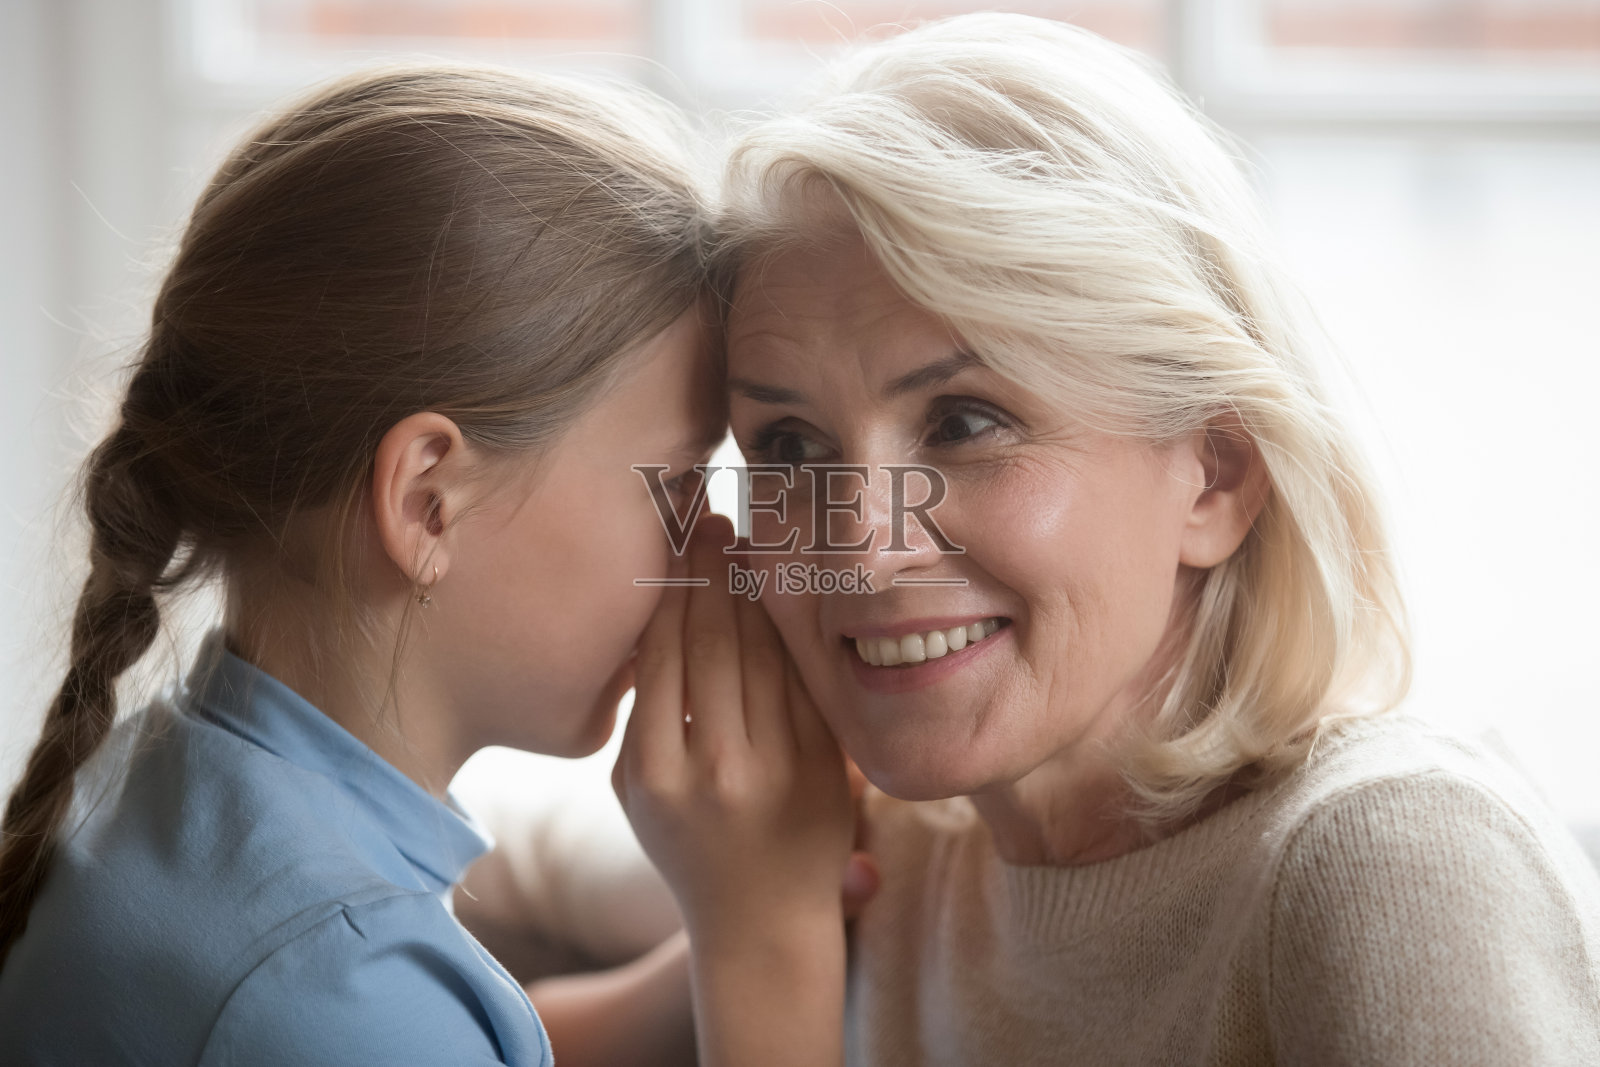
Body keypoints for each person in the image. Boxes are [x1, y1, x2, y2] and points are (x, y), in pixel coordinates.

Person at [613, 14, 1600, 1065]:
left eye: (965, 422)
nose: (860, 548)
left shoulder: (1390, 860)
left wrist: (761, 953)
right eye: (790, 445)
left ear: (1215, 475)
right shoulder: (891, 855)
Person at [0, 64, 726, 1065]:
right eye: (676, 484)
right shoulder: (335, 986)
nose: (711, 547)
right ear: (429, 501)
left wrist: (716, 942)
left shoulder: (165, 783)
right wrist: (769, 941)